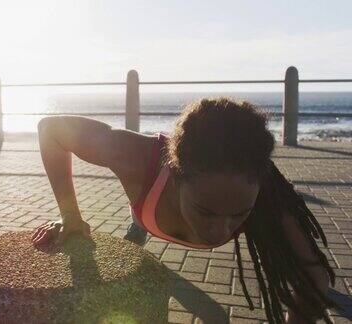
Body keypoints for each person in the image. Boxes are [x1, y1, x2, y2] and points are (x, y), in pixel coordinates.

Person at [30, 97, 341, 324]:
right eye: (206, 212)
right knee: (138, 227)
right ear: (174, 176)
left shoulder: (265, 196)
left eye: (238, 215)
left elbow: (314, 276)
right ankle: (138, 231)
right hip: (147, 204)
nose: (220, 231)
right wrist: (70, 214)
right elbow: (50, 130)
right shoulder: (137, 159)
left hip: (162, 199)